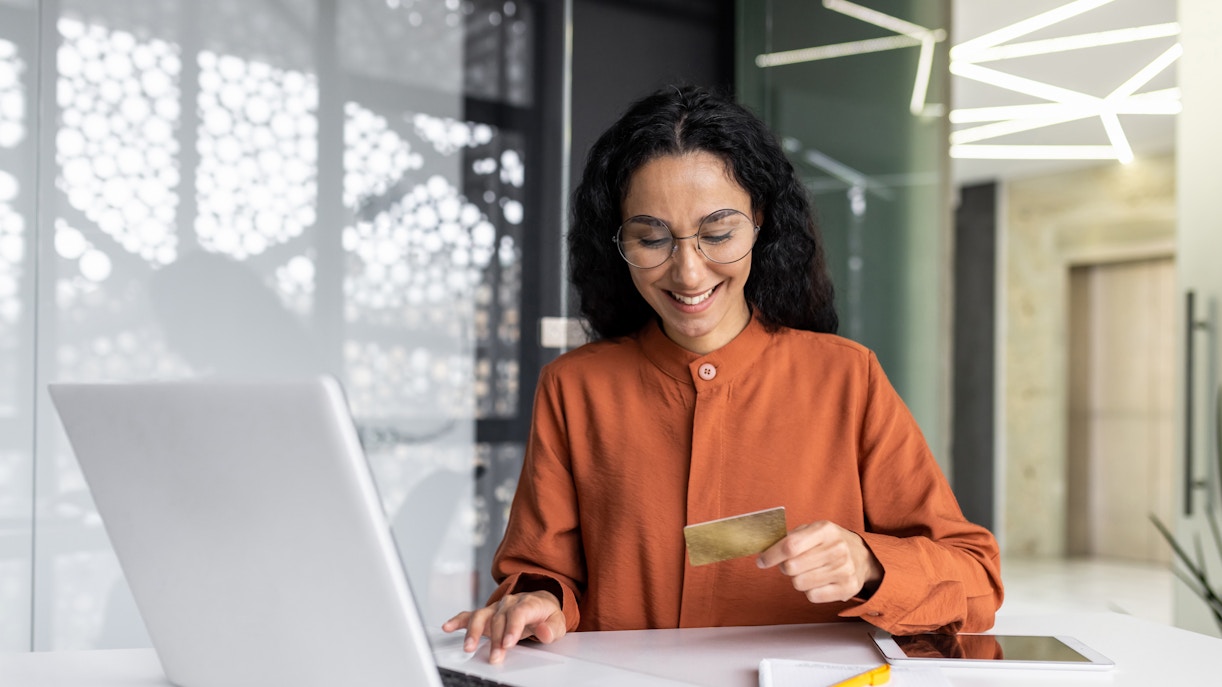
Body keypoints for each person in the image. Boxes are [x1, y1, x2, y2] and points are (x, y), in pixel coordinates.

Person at [443, 84, 1004, 663]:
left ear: (760, 222)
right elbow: (541, 573)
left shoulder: (847, 379)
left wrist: (869, 564)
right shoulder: (574, 388)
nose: (688, 273)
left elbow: (977, 578)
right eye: (651, 238)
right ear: (617, 242)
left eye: (717, 234)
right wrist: (537, 601)